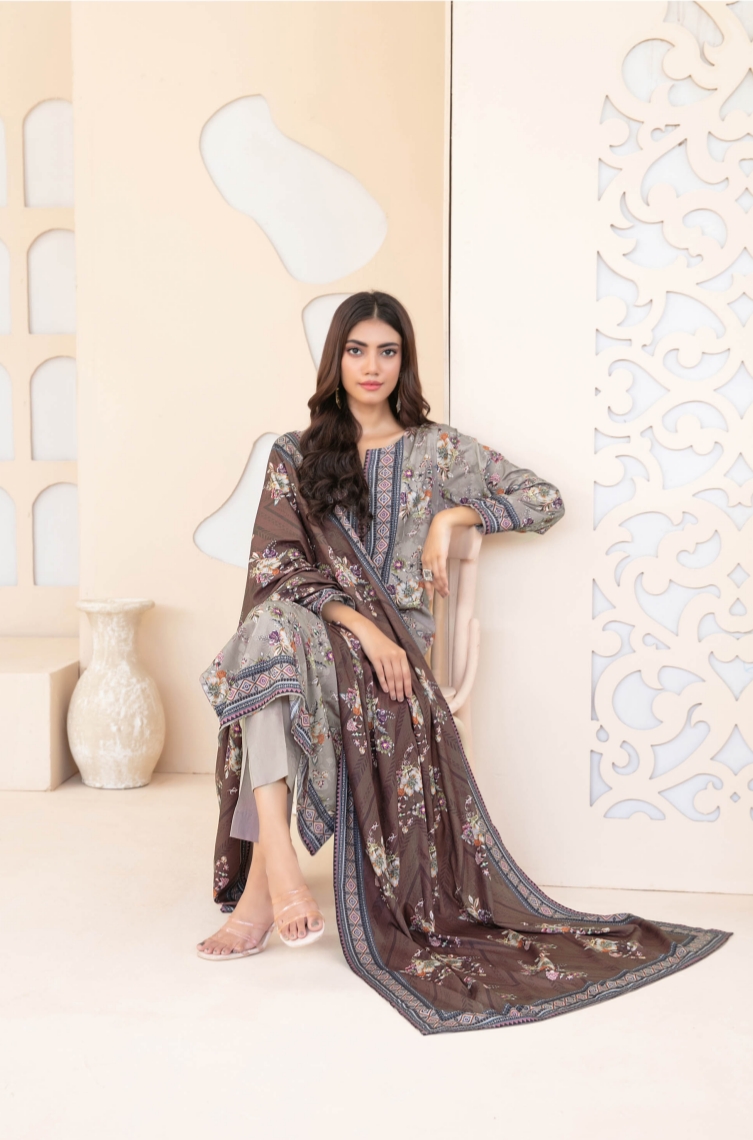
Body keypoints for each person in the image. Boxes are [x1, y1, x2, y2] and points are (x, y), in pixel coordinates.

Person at [196, 291, 730, 1034]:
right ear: (336, 360)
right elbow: (277, 566)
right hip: (326, 635)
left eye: (388, 351)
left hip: (394, 660)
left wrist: (454, 514)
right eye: (357, 350)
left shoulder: (437, 451)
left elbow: (543, 499)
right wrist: (363, 628)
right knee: (267, 634)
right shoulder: (295, 454)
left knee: (264, 653)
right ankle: (277, 864)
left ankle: (266, 886)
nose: (372, 366)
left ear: (405, 360)